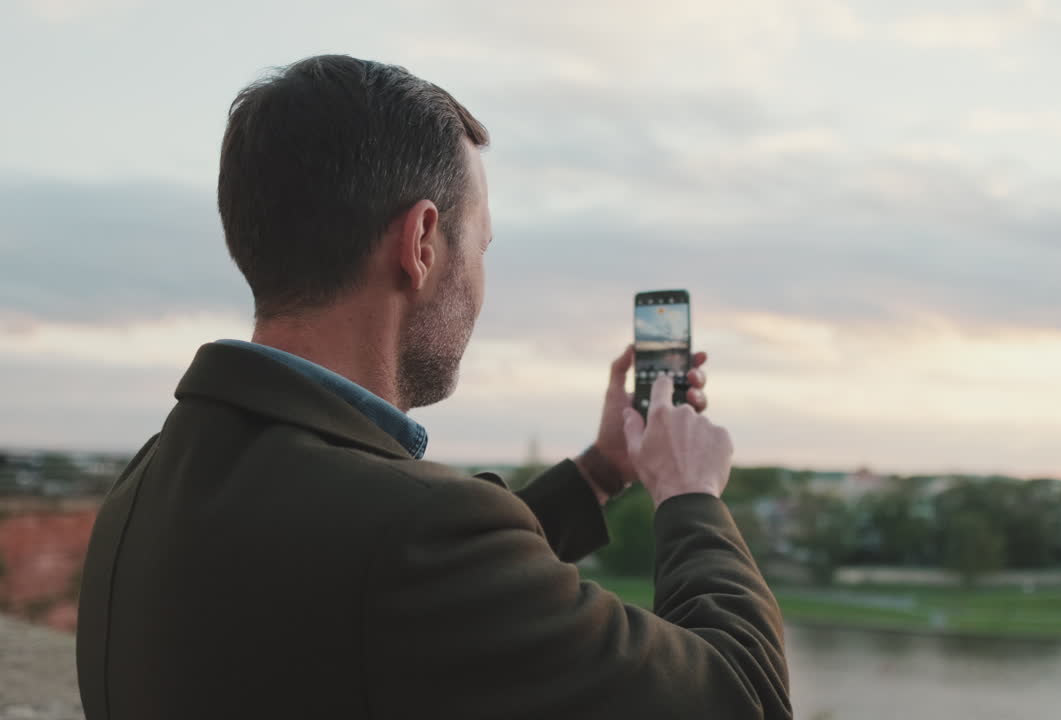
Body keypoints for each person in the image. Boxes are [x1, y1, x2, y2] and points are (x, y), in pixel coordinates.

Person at [75, 54, 791, 719]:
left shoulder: (149, 482)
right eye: (479, 247)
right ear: (420, 244)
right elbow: (742, 697)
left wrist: (601, 471)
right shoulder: (413, 540)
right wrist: (688, 493)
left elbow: (373, 574)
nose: (481, 284)